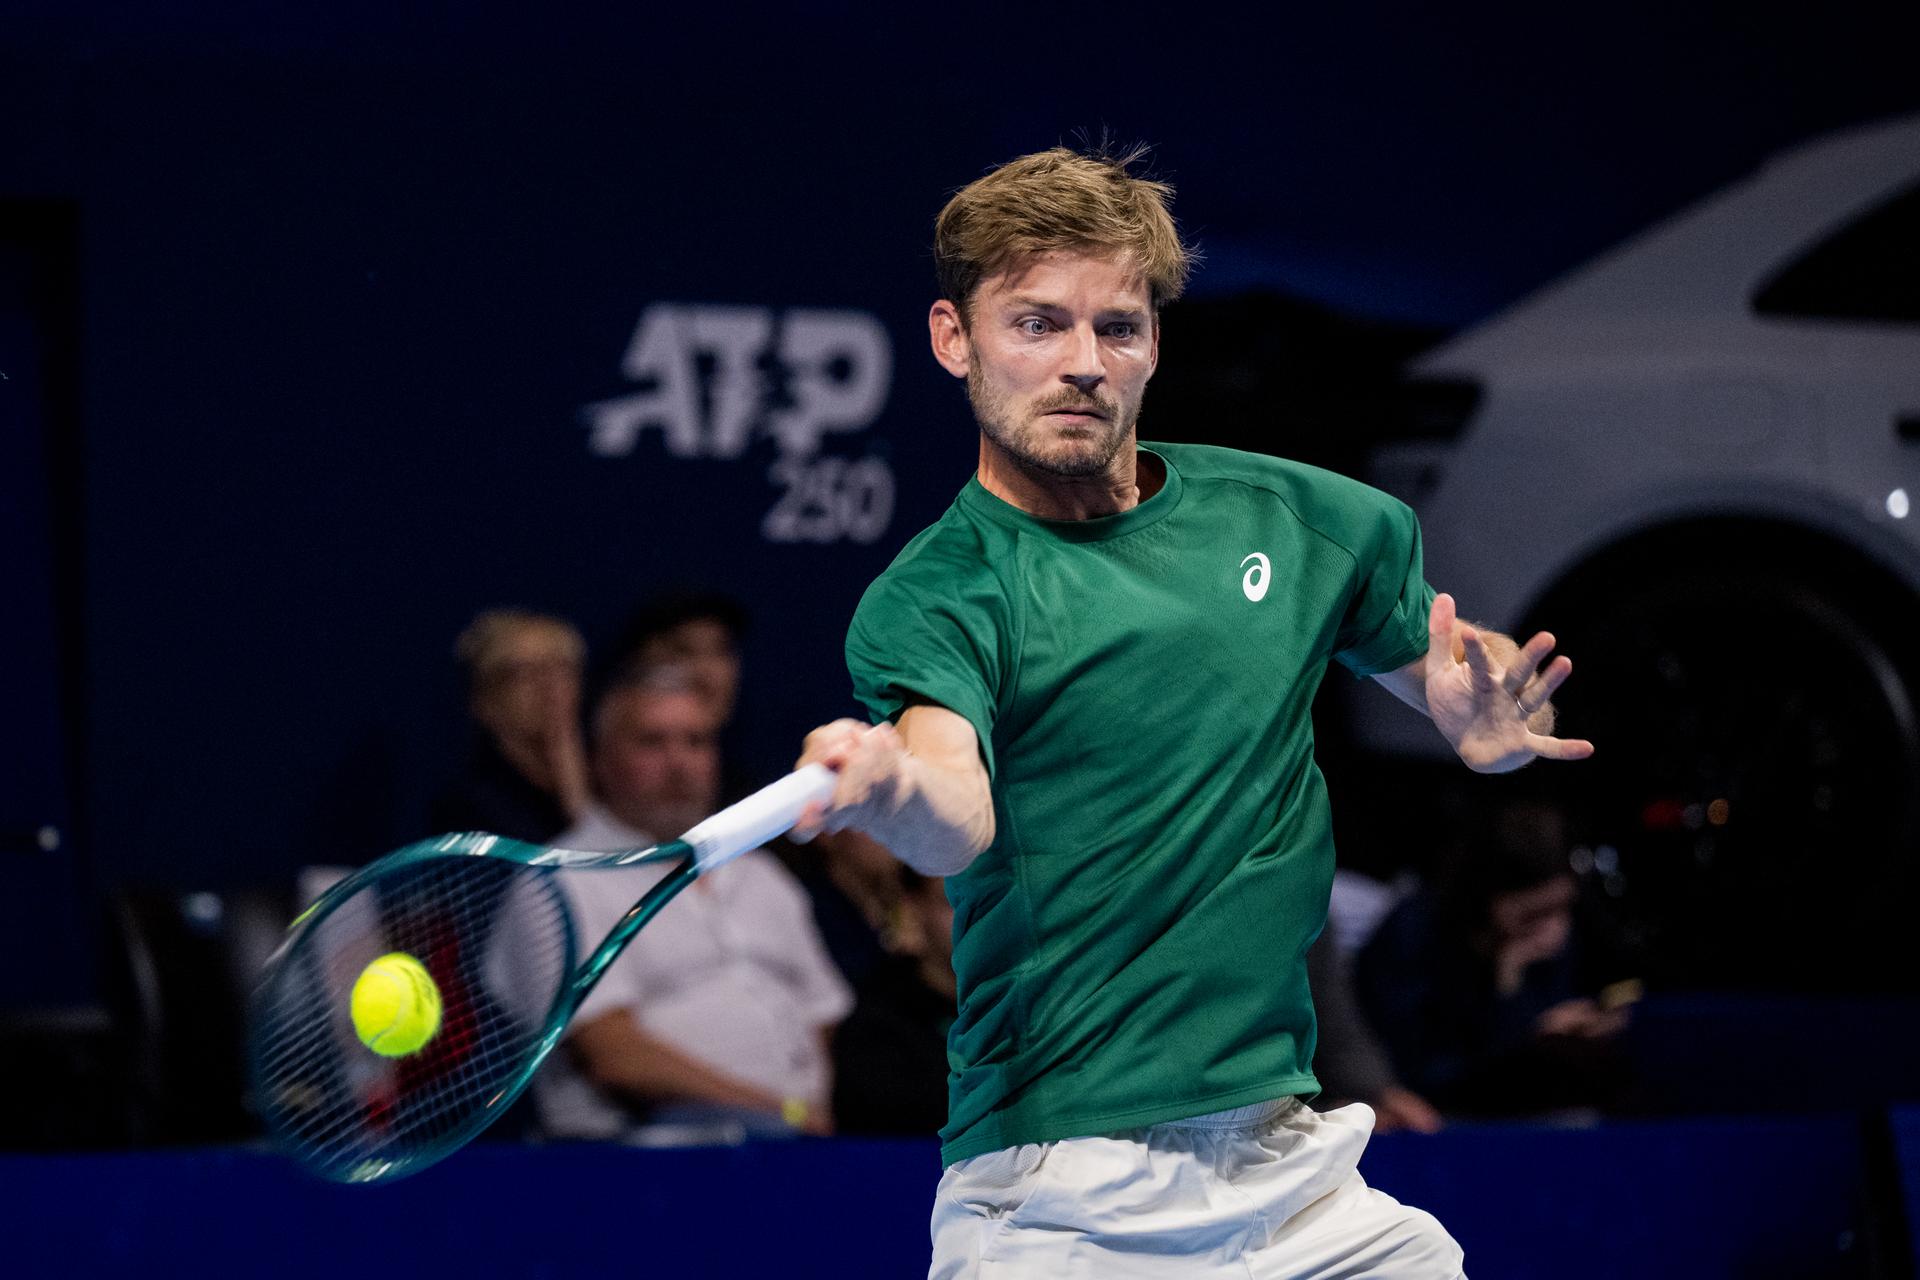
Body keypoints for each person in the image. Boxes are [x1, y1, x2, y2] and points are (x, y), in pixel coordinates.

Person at [789, 144, 1594, 1278]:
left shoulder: (1302, 520)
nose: (1082, 364)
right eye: (1036, 324)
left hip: (1294, 1175)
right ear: (952, 338)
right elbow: (952, 800)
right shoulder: (941, 592)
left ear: (1155, 341)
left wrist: (1484, 697)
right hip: (1059, 1187)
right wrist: (890, 784)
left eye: (1116, 326)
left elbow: (1452, 654)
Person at [534, 667, 851, 1142]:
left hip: (795, 1158)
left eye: (696, 742)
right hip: (636, 1169)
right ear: (599, 759)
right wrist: (780, 1111)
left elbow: (824, 1015)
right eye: (652, 742)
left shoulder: (766, 877)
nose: (679, 763)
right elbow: (615, 1056)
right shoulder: (561, 882)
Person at [1355, 799, 1629, 1119]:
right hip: (1435, 1113)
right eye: (1534, 914)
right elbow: (1419, 1071)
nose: (1554, 929)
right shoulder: (1412, 934)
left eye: (1562, 908)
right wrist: (1515, 1011)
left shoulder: (1560, 934)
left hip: (1540, 1108)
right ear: (1487, 897)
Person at [432, 609, 590, 843]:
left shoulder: (616, 783)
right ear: (483, 699)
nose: (549, 685)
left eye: (562, 668)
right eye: (524, 672)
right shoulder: (467, 810)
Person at [832, 866, 958, 1137]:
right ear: (914, 909)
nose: (974, 918)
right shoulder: (876, 1023)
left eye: (986, 901)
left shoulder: (1031, 1002)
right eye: (953, 903)